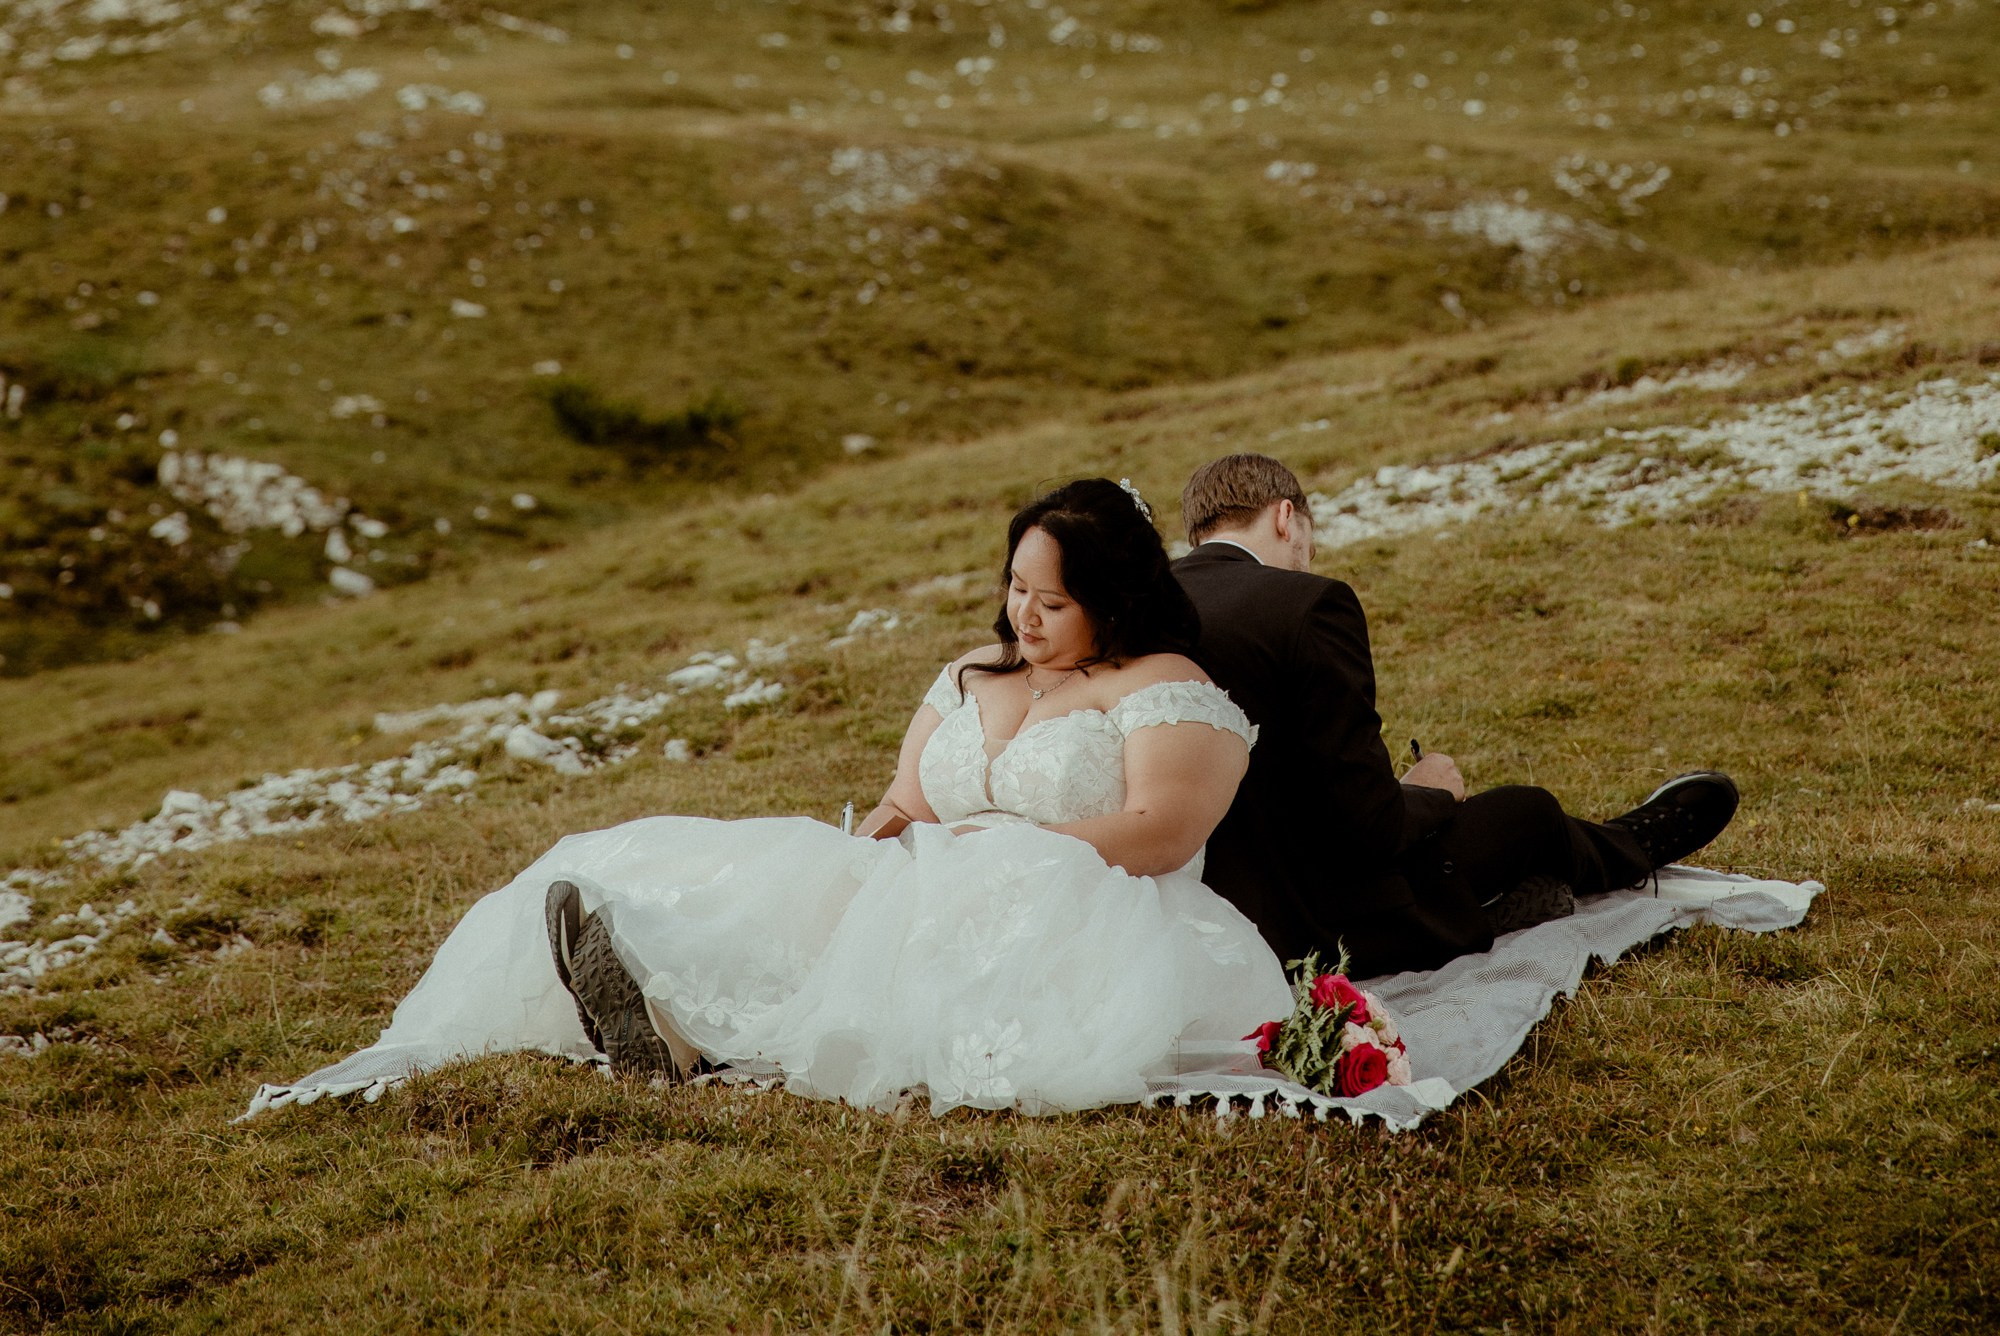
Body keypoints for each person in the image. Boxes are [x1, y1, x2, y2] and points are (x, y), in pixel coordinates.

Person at [247, 479, 1290, 1119]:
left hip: (1077, 906)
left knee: (891, 964)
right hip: (932, 878)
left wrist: (1003, 856)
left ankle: (685, 1031)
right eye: (1015, 586)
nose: (1021, 612)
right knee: (776, 876)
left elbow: (1164, 830)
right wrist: (866, 852)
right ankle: (647, 973)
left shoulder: (1161, 687)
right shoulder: (977, 670)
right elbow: (901, 797)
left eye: (1049, 599)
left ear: (1112, 597)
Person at [1175, 452, 1740, 978]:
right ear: (1285, 518)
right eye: (1308, 546)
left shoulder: (1143, 609)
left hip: (1199, 911)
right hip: (1319, 922)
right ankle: (1633, 846)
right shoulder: (1307, 603)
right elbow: (1369, 827)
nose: (1305, 561)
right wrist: (1428, 791)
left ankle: (1546, 880)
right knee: (1528, 812)